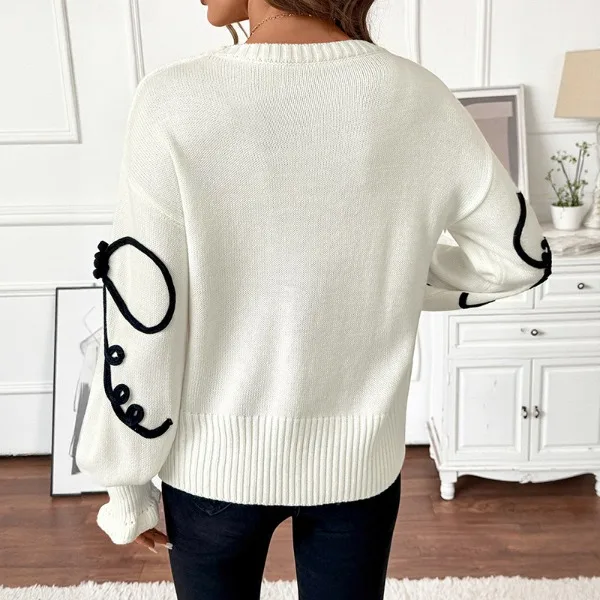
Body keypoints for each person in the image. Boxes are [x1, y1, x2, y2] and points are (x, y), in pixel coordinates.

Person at [74, 0, 552, 597]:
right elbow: (517, 259)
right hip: (360, 465)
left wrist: (126, 483)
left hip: (210, 469)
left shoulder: (173, 99)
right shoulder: (419, 96)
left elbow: (144, 303)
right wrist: (391, 270)